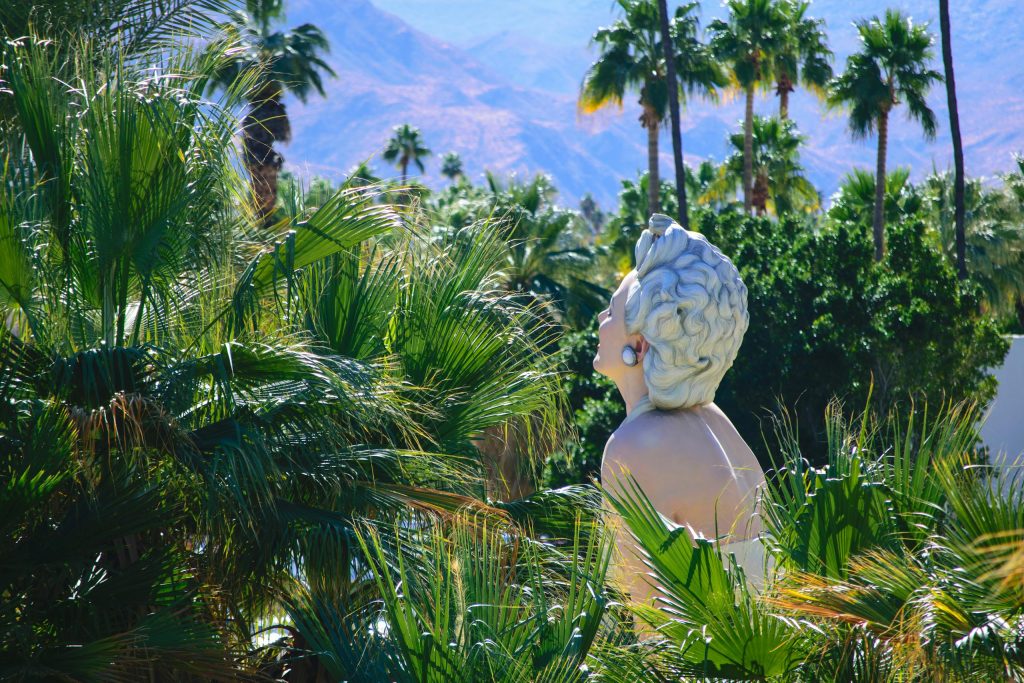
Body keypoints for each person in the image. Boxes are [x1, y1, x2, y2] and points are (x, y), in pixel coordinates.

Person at [595, 214, 767, 603]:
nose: (601, 320)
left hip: (703, 663)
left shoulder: (634, 447)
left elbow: (645, 616)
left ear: (638, 347)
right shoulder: (715, 419)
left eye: (611, 310)